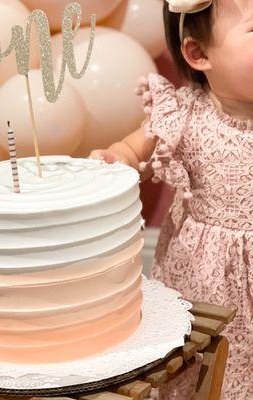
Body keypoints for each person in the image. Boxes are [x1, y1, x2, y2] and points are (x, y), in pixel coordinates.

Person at [90, 0, 253, 398]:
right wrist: (120, 159)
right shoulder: (183, 112)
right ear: (198, 54)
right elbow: (134, 147)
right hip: (208, 275)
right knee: (211, 360)